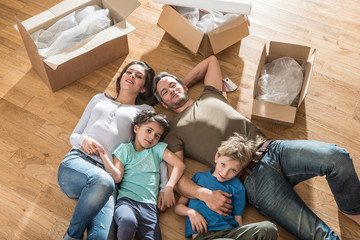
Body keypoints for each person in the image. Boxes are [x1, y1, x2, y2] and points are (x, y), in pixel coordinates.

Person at [152, 55, 360, 240]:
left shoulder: (209, 94)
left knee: (337, 157)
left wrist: (181, 85)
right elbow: (177, 179)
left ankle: (351, 208)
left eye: (173, 85)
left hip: (274, 149)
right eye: (165, 93)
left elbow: (211, 61)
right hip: (251, 180)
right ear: (164, 104)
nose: (171, 91)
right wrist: (204, 194)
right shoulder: (174, 131)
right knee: (321, 235)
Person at [57, 60, 158, 240]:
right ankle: (73, 235)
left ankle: (87, 207)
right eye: (129, 72)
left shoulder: (145, 111)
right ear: (121, 78)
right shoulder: (99, 98)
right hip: (77, 163)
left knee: (104, 237)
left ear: (144, 88)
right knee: (102, 181)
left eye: (139, 75)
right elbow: (74, 135)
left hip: (109, 175)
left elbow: (147, 149)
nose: (131, 76)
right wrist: (83, 139)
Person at [97, 110, 186, 240]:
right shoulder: (124, 149)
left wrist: (168, 187)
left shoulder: (157, 149)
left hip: (150, 207)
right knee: (128, 221)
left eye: (157, 136)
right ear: (136, 128)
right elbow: (117, 177)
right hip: (126, 202)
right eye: (149, 130)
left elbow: (180, 165)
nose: (151, 138)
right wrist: (104, 155)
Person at [174, 132, 278, 240]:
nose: (224, 173)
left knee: (269, 228)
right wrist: (191, 213)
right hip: (205, 236)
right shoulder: (199, 178)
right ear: (217, 157)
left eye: (233, 170)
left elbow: (238, 221)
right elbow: (178, 207)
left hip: (230, 234)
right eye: (223, 165)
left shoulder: (238, 188)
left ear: (239, 170)